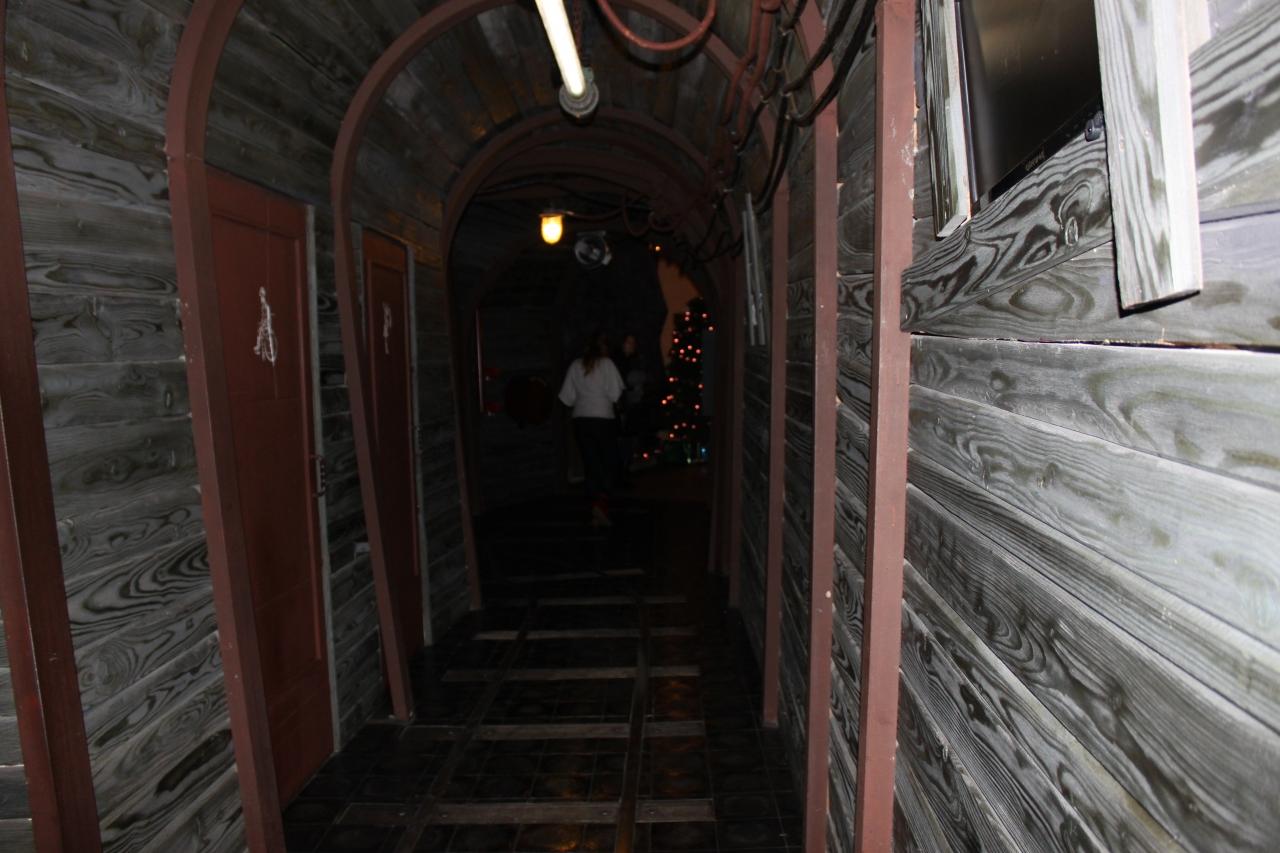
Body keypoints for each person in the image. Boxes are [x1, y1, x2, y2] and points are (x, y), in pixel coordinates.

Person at [559, 332, 625, 526]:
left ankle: (596, 507)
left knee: (591, 463)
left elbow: (567, 398)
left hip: (581, 420)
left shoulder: (575, 366)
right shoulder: (607, 364)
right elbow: (615, 394)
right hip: (603, 420)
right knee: (609, 463)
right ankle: (601, 505)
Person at [614, 333, 648, 486]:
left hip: (633, 406)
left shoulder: (635, 360)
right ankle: (621, 474)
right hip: (623, 406)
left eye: (633, 342)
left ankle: (624, 472)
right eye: (629, 342)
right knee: (624, 441)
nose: (632, 345)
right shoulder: (619, 362)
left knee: (630, 440)